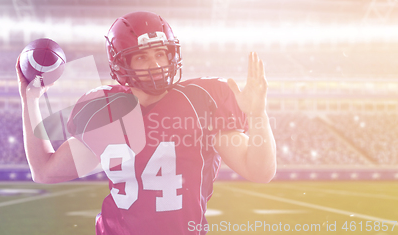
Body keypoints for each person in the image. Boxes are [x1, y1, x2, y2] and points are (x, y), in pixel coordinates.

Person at [16, 11, 276, 235]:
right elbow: (45, 171)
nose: (156, 64)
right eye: (141, 57)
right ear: (122, 63)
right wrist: (31, 99)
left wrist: (258, 115)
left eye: (161, 54)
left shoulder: (202, 100)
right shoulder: (105, 109)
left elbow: (259, 172)